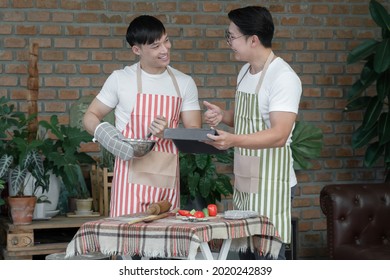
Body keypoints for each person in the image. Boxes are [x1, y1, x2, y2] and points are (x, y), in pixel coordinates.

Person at [203, 6, 302, 259]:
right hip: (247, 178)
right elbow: (243, 119)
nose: (229, 43)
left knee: (268, 258)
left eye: (232, 36)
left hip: (272, 181)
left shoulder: (283, 77)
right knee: (246, 255)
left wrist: (233, 140)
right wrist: (222, 115)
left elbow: (279, 134)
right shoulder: (245, 71)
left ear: (253, 39)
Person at [83, 15, 201, 217]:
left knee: (163, 245)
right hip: (128, 178)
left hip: (165, 181)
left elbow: (195, 133)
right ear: (137, 50)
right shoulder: (120, 79)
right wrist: (109, 137)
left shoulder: (184, 82)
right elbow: (90, 116)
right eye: (156, 46)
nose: (165, 50)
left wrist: (168, 133)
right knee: (127, 243)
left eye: (166, 41)